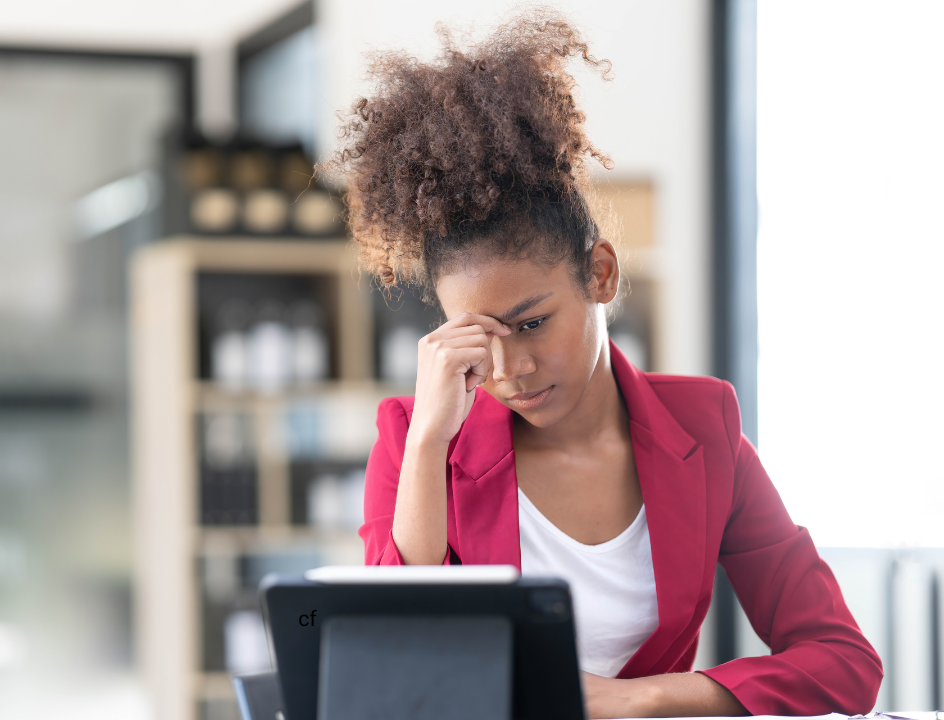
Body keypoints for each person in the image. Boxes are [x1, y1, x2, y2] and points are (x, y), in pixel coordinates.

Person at [323, 10, 881, 719]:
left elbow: (843, 661)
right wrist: (431, 445)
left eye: (532, 323)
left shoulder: (704, 432)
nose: (510, 367)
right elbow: (388, 670)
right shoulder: (415, 440)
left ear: (602, 276)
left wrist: (643, 699)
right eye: (479, 335)